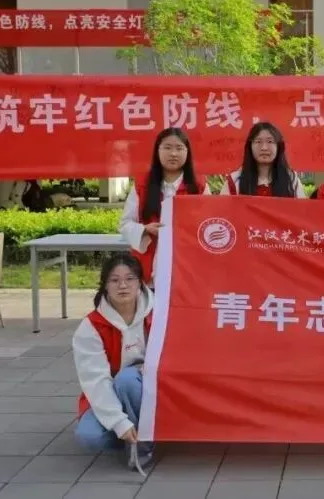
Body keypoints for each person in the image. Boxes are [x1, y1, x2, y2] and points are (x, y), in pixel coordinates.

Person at [73, 253, 154, 471]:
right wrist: (119, 423)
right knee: (90, 436)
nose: (123, 286)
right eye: (115, 280)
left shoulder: (159, 313)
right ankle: (131, 434)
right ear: (105, 285)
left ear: (140, 282)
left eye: (129, 279)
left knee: (127, 380)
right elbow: (95, 381)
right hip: (112, 392)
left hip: (153, 389)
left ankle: (144, 443)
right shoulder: (91, 327)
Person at [119, 128, 210, 284]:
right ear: (158, 151)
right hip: (149, 265)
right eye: (167, 147)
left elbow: (209, 224)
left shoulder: (199, 185)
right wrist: (145, 229)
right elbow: (125, 224)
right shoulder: (142, 184)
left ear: (187, 152)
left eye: (179, 148)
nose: (173, 153)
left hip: (187, 267)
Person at [220, 122, 305, 198]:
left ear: (278, 146)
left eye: (270, 141)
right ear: (250, 146)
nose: (264, 148)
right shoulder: (234, 182)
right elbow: (222, 210)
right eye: (258, 142)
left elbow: (301, 210)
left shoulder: (291, 180)